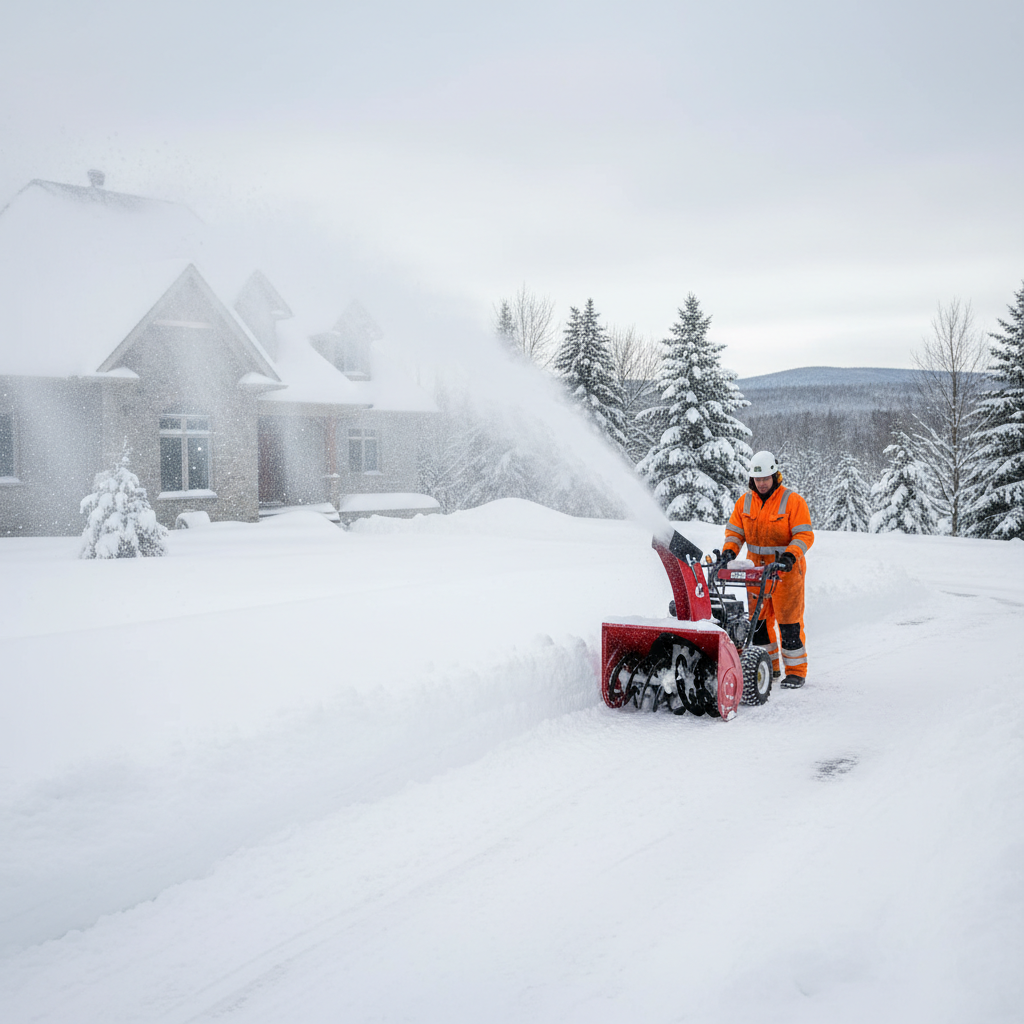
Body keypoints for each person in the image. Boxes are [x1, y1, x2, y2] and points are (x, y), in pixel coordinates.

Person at [718, 451, 814, 688]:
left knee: (789, 624)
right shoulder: (744, 502)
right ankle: (768, 667)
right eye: (757, 479)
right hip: (756, 573)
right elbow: (735, 532)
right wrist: (729, 551)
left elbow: (804, 534)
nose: (761, 483)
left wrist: (790, 555)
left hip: (786, 572)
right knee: (758, 624)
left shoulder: (792, 501)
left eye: (765, 479)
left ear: (774, 476)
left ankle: (796, 672)